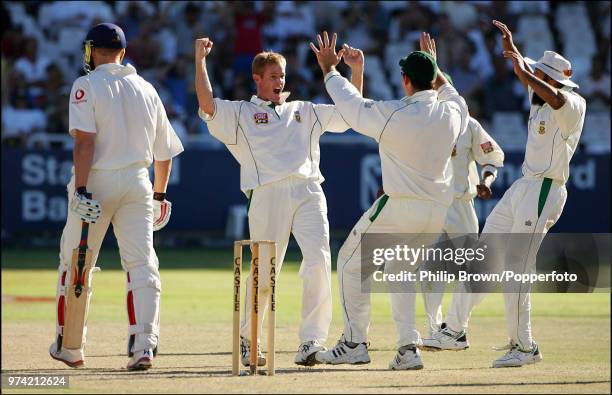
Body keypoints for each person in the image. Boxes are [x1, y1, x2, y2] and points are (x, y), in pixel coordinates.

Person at [423, 20, 586, 369]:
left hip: (546, 188)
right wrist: (514, 52)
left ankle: (524, 346)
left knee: (516, 270)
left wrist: (526, 71)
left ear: (554, 79)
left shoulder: (572, 103)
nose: (534, 79)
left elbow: (551, 94)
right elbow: (531, 79)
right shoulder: (538, 94)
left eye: (542, 74)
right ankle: (453, 331)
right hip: (524, 185)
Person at [194, 35, 363, 366]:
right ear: (256, 79)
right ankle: (249, 337)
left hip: (310, 190)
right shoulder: (241, 113)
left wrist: (356, 71)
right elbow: (207, 106)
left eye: (282, 76)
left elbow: (350, 115)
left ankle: (311, 341)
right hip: (267, 193)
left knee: (318, 261)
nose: (280, 81)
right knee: (265, 270)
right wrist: (200, 61)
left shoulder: (305, 109)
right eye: (273, 76)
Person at [311, 31, 468, 370]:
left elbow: (352, 108)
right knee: (401, 271)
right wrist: (436, 66)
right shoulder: (453, 114)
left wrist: (330, 70)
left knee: (351, 262)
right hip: (436, 213)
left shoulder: (394, 114)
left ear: (405, 80)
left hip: (401, 207)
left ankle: (354, 342)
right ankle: (408, 349)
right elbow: (454, 96)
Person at [49, 23, 184, 371]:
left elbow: (85, 142)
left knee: (76, 263)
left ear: (92, 51)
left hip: (96, 182)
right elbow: (165, 151)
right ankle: (143, 347)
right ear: (123, 53)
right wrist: (159, 194)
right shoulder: (146, 88)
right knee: (142, 264)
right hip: (139, 183)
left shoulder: (85, 85)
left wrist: (80, 189)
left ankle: (71, 347)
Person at [420, 72, 505, 339]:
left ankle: (457, 326)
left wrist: (487, 181)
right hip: (432, 205)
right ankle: (436, 328)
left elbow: (492, 158)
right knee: (430, 271)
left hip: (460, 204)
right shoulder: (421, 122)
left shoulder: (468, 125)